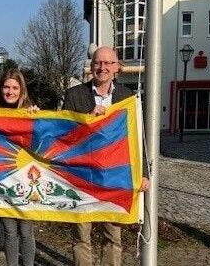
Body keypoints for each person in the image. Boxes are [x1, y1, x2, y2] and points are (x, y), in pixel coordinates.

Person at [62, 46, 150, 266]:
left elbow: (138, 138)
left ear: (117, 67)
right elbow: (64, 135)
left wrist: (143, 173)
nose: (102, 68)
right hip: (82, 176)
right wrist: (87, 123)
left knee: (113, 236)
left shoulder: (127, 97)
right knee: (81, 236)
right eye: (98, 63)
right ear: (92, 66)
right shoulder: (74, 95)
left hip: (114, 177)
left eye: (108, 63)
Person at [0, 68, 38, 266]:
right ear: (0, 89)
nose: (10, 91)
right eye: (6, 86)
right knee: (9, 231)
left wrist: (37, 117)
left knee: (26, 231)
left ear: (21, 90)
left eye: (15, 87)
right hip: (1, 179)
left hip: (26, 179)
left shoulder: (29, 111)